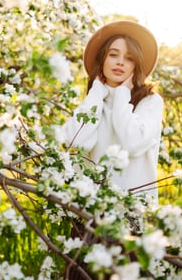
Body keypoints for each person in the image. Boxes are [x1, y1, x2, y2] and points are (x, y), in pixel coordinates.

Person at [64, 20, 163, 203]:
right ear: (103, 59)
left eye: (129, 58)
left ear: (136, 65)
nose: (120, 62)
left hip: (132, 212)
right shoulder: (94, 101)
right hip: (89, 213)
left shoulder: (149, 102)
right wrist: (96, 91)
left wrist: (122, 94)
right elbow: (77, 141)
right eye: (113, 55)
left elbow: (132, 143)